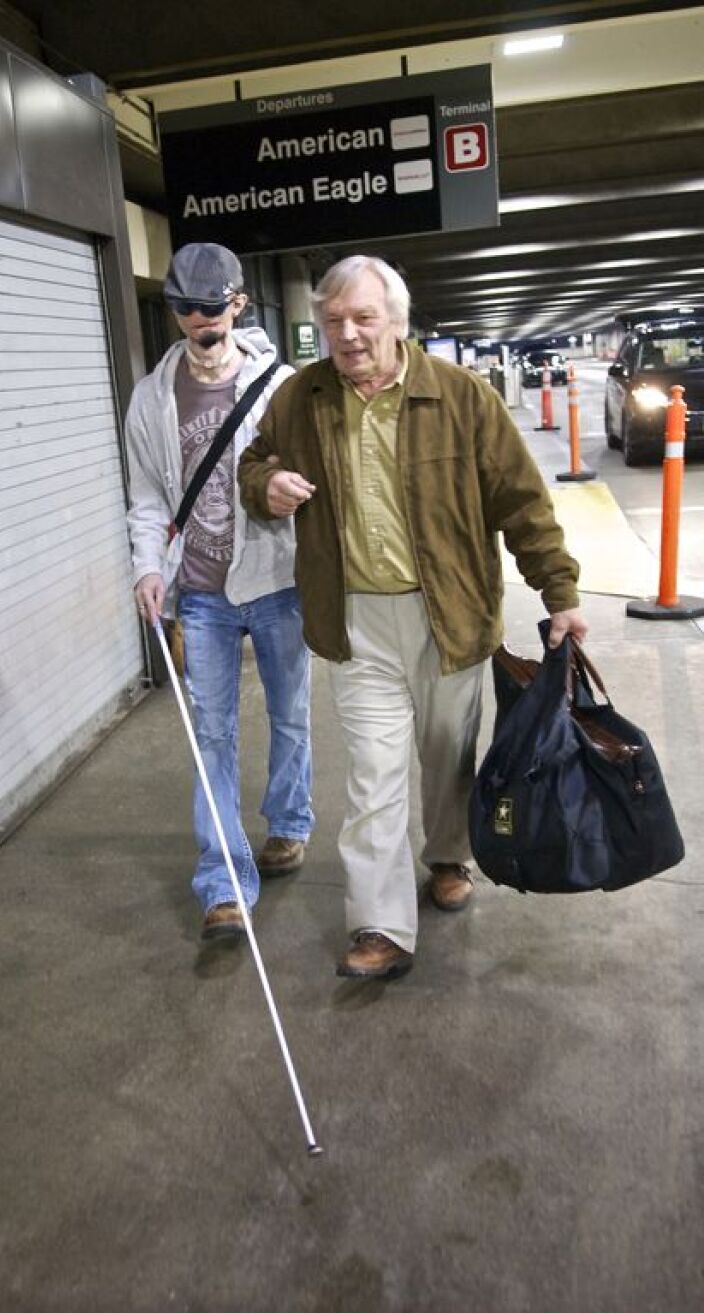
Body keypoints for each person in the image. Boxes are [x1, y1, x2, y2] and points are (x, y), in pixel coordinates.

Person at [238, 254, 586, 980]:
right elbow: (254, 462)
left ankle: (449, 854)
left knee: (445, 759)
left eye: (364, 318)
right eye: (334, 321)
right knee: (371, 777)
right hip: (354, 619)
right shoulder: (303, 398)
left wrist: (559, 593)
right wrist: (266, 483)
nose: (349, 334)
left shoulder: (459, 396)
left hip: (450, 614)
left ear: (397, 321)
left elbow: (521, 501)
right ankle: (381, 923)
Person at [125, 243, 314, 942]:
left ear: (238, 304)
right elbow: (146, 495)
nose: (199, 320)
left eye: (212, 306)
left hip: (275, 580)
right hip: (200, 591)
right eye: (184, 307)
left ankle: (290, 820)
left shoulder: (279, 384)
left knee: (291, 715)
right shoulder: (151, 397)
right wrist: (148, 566)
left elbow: (308, 468)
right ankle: (224, 881)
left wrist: (290, 488)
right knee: (212, 737)